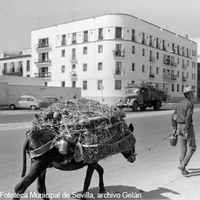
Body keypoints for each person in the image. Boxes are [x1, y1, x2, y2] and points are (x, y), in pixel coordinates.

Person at [171, 86, 196, 176]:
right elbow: (188, 118)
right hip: (186, 127)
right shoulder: (190, 104)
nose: (193, 94)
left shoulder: (179, 104)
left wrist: (174, 128)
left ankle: (183, 171)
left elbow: (173, 116)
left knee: (183, 149)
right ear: (187, 94)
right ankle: (183, 165)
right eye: (192, 92)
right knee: (192, 147)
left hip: (179, 127)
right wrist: (186, 130)